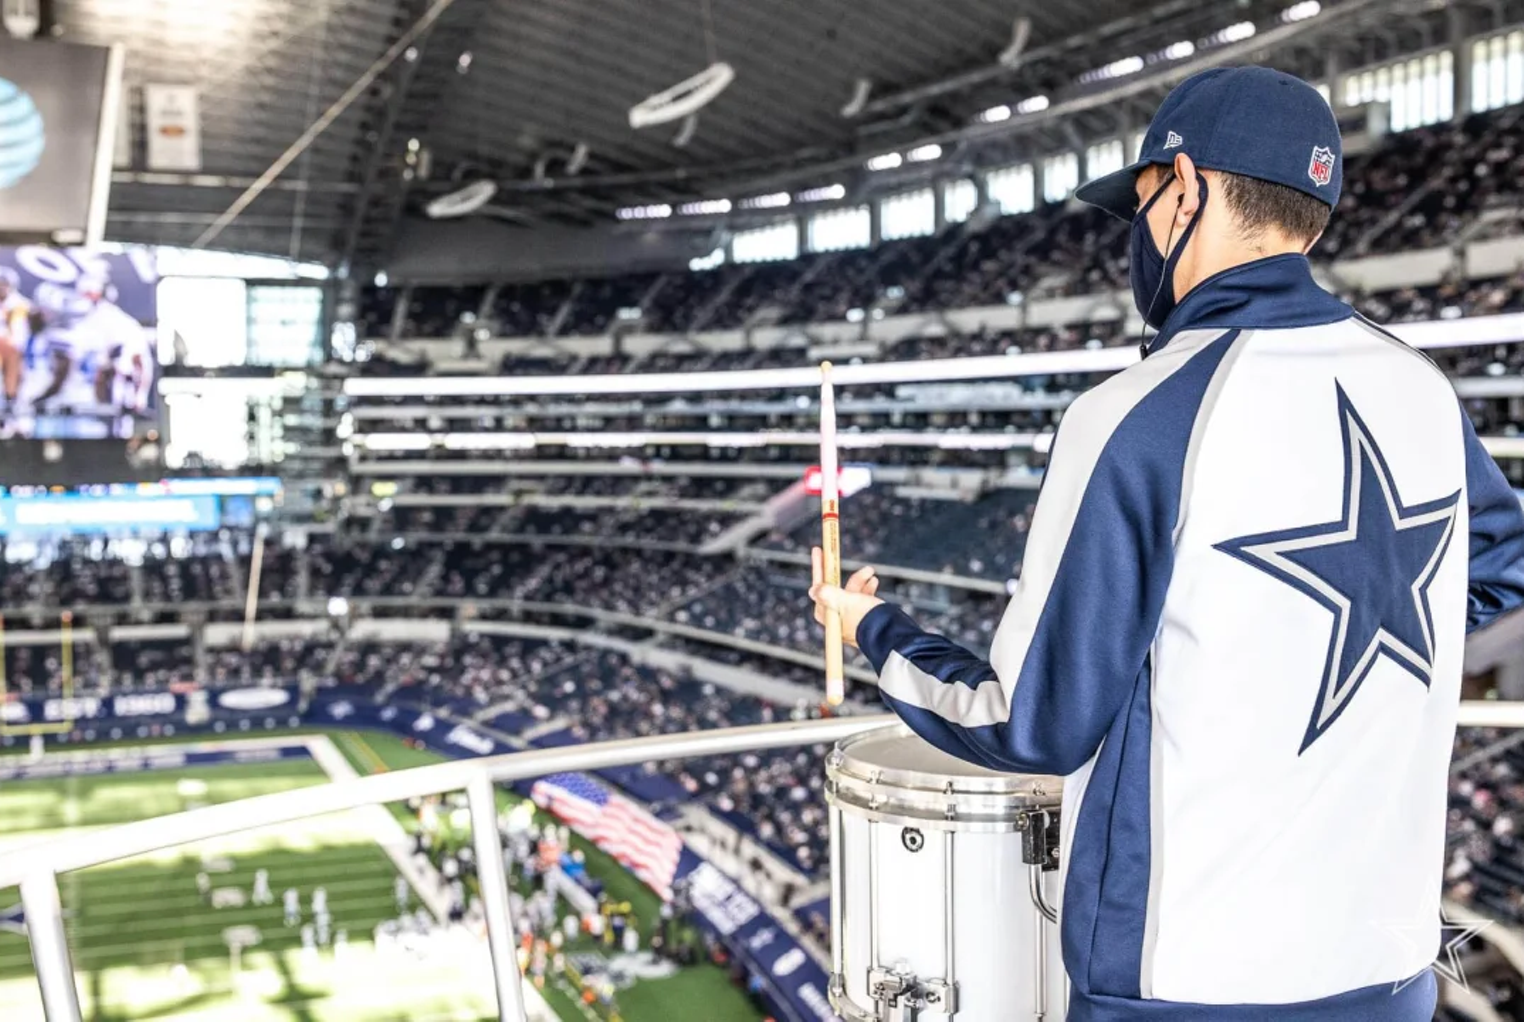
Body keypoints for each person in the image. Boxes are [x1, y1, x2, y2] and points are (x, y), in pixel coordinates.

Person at [809, 66, 1524, 1020]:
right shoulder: (1421, 389)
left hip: (1189, 980)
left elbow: (1031, 724)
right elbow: (1501, 566)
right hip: (1389, 969)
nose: (1136, 236)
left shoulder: (1138, 415)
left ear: (1182, 187)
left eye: (1140, 204)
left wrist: (877, 630)